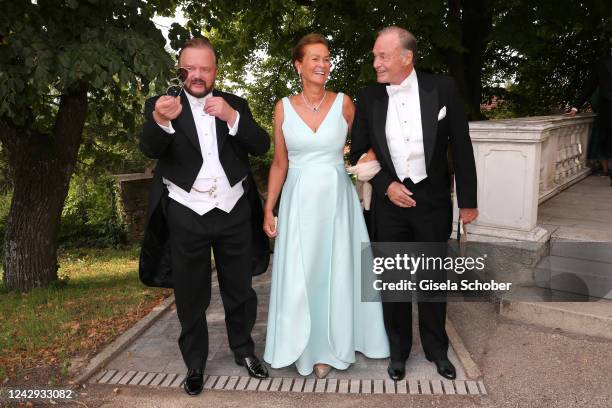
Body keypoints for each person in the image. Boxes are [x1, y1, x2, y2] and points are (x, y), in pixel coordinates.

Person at [138, 37, 270, 396]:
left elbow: (262, 145)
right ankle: (195, 363)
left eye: (205, 68)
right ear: (181, 70)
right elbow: (149, 147)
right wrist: (161, 121)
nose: (197, 75)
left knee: (240, 291)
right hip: (186, 213)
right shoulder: (162, 105)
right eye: (190, 68)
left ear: (214, 70)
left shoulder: (235, 103)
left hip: (232, 211)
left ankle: (244, 351)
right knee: (190, 293)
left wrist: (232, 117)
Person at [349, 26, 478, 381]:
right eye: (375, 55)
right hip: (390, 205)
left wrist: (468, 202)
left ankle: (438, 350)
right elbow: (358, 152)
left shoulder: (443, 89)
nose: (375, 62)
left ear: (406, 58)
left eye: (382, 56)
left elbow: (462, 148)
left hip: (433, 201)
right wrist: (385, 184)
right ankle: (399, 351)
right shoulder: (369, 97)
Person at [262, 33, 389, 379]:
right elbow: (279, 163)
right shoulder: (282, 107)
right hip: (299, 200)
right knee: (305, 275)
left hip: (337, 201)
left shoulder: (344, 102)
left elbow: (369, 140)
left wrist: (368, 161)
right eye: (315, 58)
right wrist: (268, 208)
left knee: (339, 271)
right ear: (298, 65)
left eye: (327, 58)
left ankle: (335, 347)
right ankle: (306, 348)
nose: (323, 65)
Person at [568, 50, 612, 185]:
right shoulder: (601, 62)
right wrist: (576, 106)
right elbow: (590, 85)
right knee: (609, 140)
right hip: (608, 108)